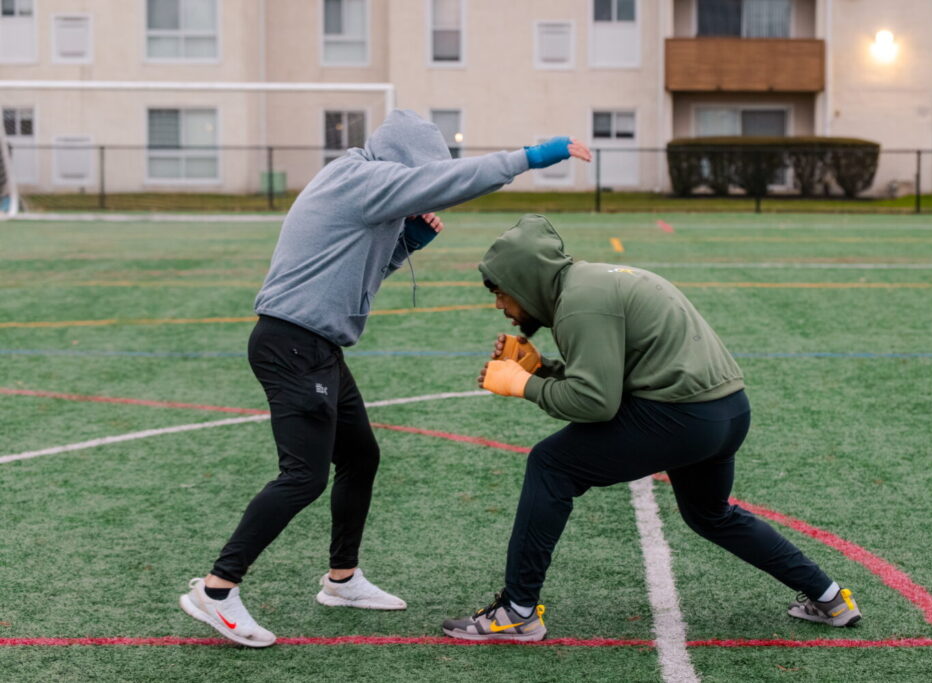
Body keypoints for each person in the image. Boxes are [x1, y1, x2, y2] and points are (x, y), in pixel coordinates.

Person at [179, 111, 592, 648]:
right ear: (402, 163)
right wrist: (534, 157)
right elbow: (453, 181)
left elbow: (357, 272)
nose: (424, 190)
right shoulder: (362, 179)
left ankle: (342, 580)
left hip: (317, 346)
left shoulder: (357, 183)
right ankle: (217, 589)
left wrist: (406, 243)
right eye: (421, 176)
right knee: (303, 477)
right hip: (293, 345)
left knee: (360, 458)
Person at [441, 214, 861, 642]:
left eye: (500, 292)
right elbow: (618, 375)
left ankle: (517, 612)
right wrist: (543, 368)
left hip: (682, 416)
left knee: (551, 465)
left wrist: (522, 384)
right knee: (710, 514)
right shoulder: (592, 282)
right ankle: (830, 598)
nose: (500, 306)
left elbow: (595, 403)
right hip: (728, 411)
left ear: (526, 281)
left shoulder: (579, 303)